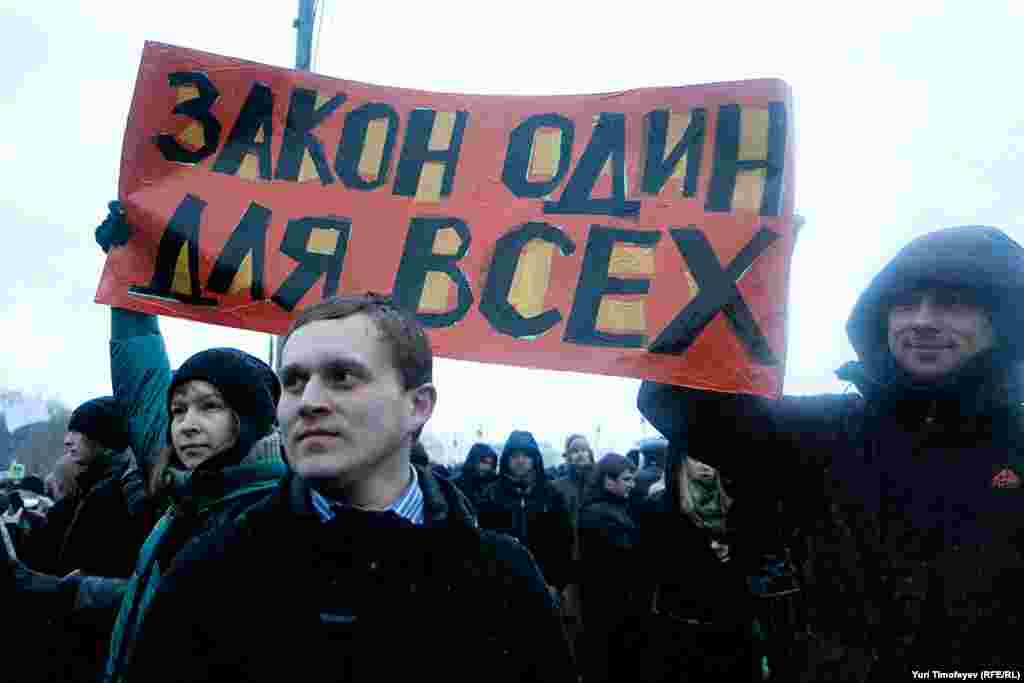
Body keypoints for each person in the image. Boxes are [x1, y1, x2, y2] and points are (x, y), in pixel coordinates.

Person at [638, 225, 1024, 679]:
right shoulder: (821, 432)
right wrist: (728, 268)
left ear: (1002, 320)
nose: (921, 320)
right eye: (905, 303)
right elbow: (680, 404)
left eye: (952, 303)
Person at [126, 294, 575, 683]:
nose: (309, 402)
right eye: (294, 382)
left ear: (418, 405)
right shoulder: (213, 570)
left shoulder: (503, 578)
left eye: (342, 377)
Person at [476, 430, 575, 601]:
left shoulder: (551, 494)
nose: (520, 461)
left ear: (535, 459)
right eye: (514, 456)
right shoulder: (490, 495)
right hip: (502, 585)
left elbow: (563, 541)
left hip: (545, 585)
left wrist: (557, 584)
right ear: (506, 459)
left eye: (526, 455)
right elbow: (483, 542)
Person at [577, 453, 640, 683]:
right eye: (627, 479)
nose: (632, 485)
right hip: (610, 608)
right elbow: (627, 558)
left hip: (612, 606)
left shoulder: (613, 508)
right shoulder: (598, 515)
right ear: (608, 481)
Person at [451, 442, 499, 510]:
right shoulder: (455, 484)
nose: (487, 467)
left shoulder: (494, 483)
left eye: (490, 463)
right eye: (483, 461)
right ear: (473, 460)